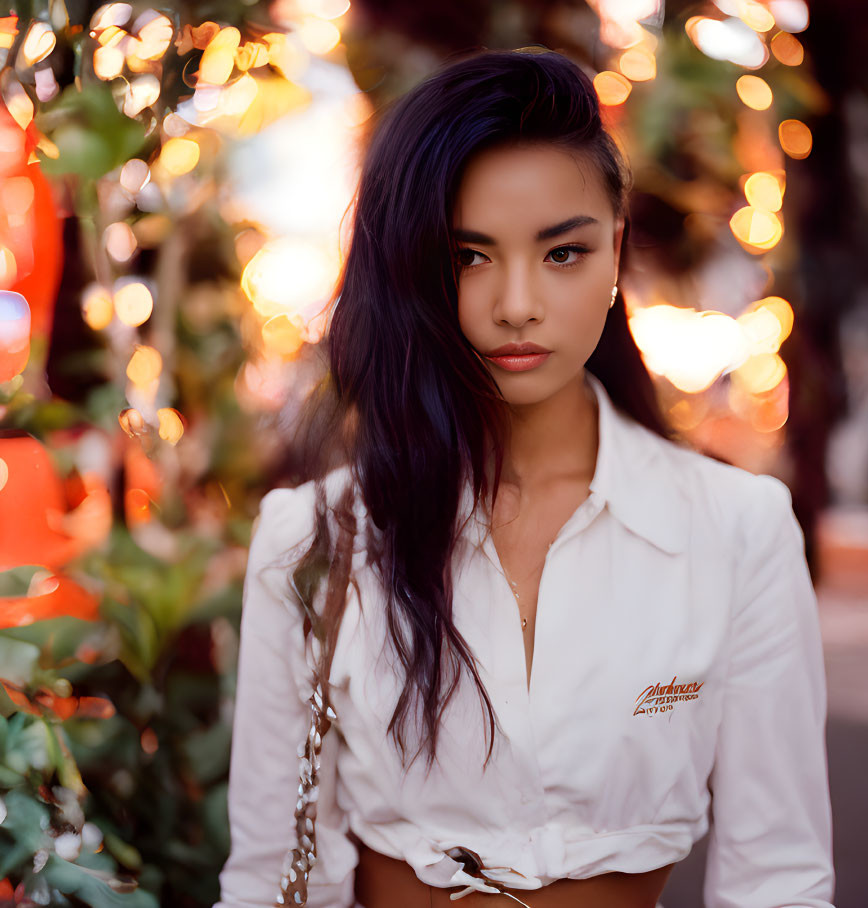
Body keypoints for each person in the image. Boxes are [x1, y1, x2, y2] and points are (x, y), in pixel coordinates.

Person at [213, 47, 834, 908]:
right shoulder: (314, 541)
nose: (516, 303)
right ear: (417, 271)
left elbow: (778, 881)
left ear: (615, 252)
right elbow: (271, 880)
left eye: (562, 254)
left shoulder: (736, 530)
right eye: (469, 256)